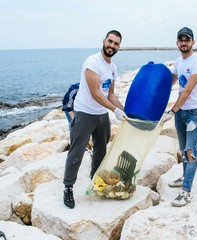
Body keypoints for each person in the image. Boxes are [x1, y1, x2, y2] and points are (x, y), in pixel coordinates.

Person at [63, 30, 126, 209]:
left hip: (102, 115)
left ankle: (95, 180)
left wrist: (124, 111)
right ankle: (68, 187)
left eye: (115, 44)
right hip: (84, 113)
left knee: (101, 150)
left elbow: (110, 94)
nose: (112, 46)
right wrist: (114, 110)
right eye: (110, 41)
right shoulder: (92, 62)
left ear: (118, 47)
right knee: (76, 152)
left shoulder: (113, 67)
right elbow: (96, 93)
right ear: (104, 41)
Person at [162, 27, 197, 207]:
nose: (184, 43)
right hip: (182, 112)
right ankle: (184, 176)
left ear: (193, 42)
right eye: (180, 40)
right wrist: (153, 75)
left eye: (187, 39)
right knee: (183, 149)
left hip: (195, 113)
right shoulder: (178, 62)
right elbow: (171, 81)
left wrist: (171, 111)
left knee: (191, 151)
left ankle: (186, 192)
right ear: (177, 43)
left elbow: (187, 90)